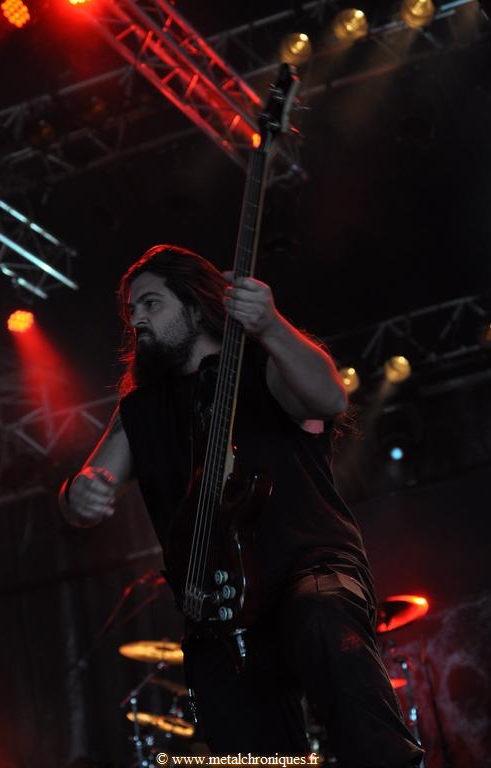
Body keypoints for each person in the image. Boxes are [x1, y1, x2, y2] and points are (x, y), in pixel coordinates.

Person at [59, 244, 424, 767]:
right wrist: (80, 492)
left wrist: (271, 325)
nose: (136, 319)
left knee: (323, 621)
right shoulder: (139, 409)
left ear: (194, 305)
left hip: (309, 568)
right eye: (131, 310)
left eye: (151, 304)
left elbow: (328, 399)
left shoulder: (264, 364)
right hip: (216, 608)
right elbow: (87, 490)